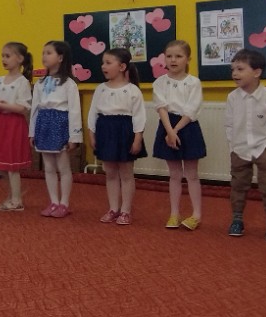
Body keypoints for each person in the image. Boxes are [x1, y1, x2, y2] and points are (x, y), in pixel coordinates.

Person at [225, 49, 266, 241]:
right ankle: (237, 219)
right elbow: (229, 125)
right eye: (233, 69)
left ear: (257, 72)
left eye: (240, 69)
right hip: (239, 150)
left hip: (264, 150)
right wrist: (232, 147)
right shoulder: (232, 97)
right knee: (238, 187)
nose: (235, 73)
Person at [87, 48, 146, 225]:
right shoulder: (100, 89)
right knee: (110, 172)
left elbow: (139, 116)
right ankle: (113, 208)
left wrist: (137, 138)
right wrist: (92, 133)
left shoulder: (133, 90)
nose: (103, 66)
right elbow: (93, 113)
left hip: (124, 131)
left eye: (108, 63)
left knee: (126, 173)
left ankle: (125, 211)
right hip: (105, 131)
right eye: (103, 63)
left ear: (122, 67)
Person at [153, 39, 206, 230]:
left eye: (178, 56)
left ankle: (196, 214)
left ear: (188, 59)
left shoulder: (193, 82)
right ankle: (174, 213)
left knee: (192, 174)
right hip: (167, 126)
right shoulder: (160, 82)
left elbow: (191, 110)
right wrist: (169, 131)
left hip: (187, 126)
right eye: (169, 56)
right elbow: (161, 107)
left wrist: (175, 131)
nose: (173, 60)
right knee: (174, 174)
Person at [29, 40, 82, 218]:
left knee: (63, 166)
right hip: (44, 123)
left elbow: (75, 110)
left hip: (61, 123)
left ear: (60, 57)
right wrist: (32, 132)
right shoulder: (40, 83)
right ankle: (53, 202)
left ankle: (64, 203)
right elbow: (35, 108)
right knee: (49, 167)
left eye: (49, 53)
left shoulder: (69, 84)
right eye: (43, 53)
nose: (44, 56)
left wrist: (75, 136)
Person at [0, 42, 33, 212]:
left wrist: (4, 105)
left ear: (20, 59)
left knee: (12, 165)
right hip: (1, 124)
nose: (4, 59)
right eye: (2, 56)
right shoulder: (0, 80)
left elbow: (23, 108)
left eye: (7, 56)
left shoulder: (22, 82)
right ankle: (12, 195)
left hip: (14, 125)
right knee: (2, 165)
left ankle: (17, 200)